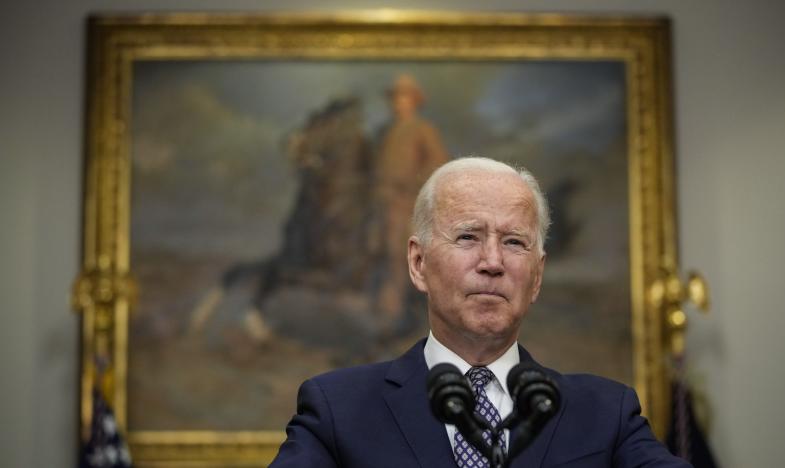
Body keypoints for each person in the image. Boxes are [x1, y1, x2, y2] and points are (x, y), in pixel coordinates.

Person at [269, 157, 691, 467]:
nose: (493, 261)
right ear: (418, 264)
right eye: (468, 237)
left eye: (513, 242)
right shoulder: (338, 410)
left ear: (537, 277)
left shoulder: (605, 414)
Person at [370, 74, 448, 337]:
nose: (398, 103)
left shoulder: (423, 130)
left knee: (399, 256)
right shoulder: (384, 132)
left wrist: (410, 184)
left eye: (404, 97)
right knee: (378, 253)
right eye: (395, 97)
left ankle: (392, 317)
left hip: (406, 204)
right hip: (380, 203)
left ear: (414, 101)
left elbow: (437, 165)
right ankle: (381, 311)